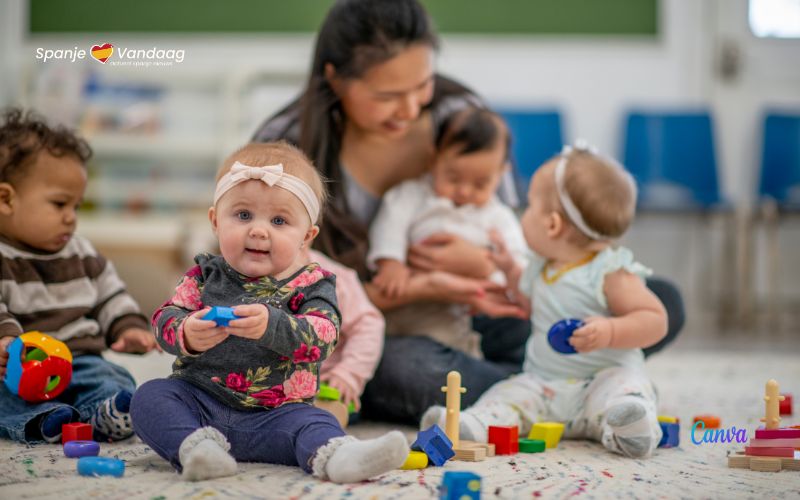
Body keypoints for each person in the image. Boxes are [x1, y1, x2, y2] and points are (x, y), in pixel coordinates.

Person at [253, 0, 685, 423]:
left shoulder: (460, 117)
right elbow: (278, 288)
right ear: (335, 78)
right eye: (387, 95)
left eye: (421, 85)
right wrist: (427, 285)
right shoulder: (286, 146)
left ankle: (547, 384)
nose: (410, 108)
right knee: (404, 372)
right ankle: (570, 385)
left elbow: (509, 228)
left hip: (483, 301)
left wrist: (485, 266)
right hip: (371, 327)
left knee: (659, 301)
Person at [130, 142, 408, 483]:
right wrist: (186, 331)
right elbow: (164, 318)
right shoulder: (203, 275)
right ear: (216, 221)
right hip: (201, 403)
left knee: (317, 422)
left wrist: (272, 325)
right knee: (149, 397)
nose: (259, 230)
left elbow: (323, 336)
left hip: (278, 416)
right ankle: (197, 450)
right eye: (243, 215)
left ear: (306, 237)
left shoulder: (313, 283)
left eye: (279, 220)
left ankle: (341, 457)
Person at [423, 144, 666, 458]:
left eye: (531, 206)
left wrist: (611, 331)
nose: (524, 212)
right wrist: (508, 268)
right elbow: (527, 300)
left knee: (624, 389)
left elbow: (655, 318)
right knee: (508, 394)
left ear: (552, 224)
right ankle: (470, 425)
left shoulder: (609, 271)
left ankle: (629, 424)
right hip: (544, 383)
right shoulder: (541, 266)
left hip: (600, 379)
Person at [0, 109, 156, 444]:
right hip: (16, 371)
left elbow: (111, 295)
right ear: (6, 199)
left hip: (79, 360)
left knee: (113, 377)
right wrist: (5, 341)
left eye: (76, 206)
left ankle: (104, 413)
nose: (71, 218)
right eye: (59, 204)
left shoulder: (82, 253)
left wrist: (129, 327)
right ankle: (44, 420)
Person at [368, 107, 527, 357]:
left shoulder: (499, 216)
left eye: (480, 183)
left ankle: (468, 367)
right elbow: (391, 225)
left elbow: (518, 261)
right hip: (409, 298)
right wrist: (391, 263)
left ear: (501, 175)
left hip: (464, 308)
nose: (464, 191)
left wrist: (488, 270)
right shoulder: (412, 195)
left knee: (453, 342)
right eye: (453, 177)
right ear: (434, 159)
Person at [312, 249, 384, 412]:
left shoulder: (333, 277)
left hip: (325, 385)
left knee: (326, 414)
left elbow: (367, 325)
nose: (260, 231)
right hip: (259, 390)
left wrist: (348, 373)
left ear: (309, 234)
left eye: (279, 222)